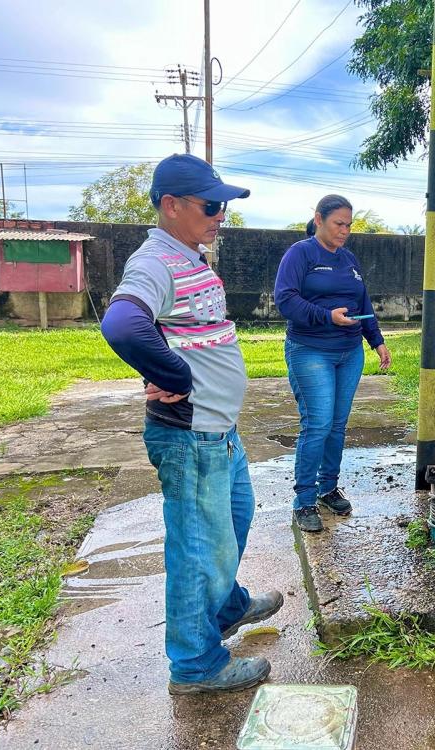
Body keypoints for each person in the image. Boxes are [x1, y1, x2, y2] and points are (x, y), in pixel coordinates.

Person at [101, 154, 281, 695]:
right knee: (199, 548)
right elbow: (124, 323)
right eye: (211, 205)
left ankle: (226, 606)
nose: (221, 214)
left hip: (219, 432)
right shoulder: (156, 260)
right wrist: (173, 372)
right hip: (191, 436)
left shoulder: (190, 257)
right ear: (172, 206)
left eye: (223, 205)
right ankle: (196, 663)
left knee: (234, 522)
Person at [274, 194, 391, 533]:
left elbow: (362, 301)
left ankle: (327, 488)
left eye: (349, 225)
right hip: (311, 350)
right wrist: (327, 317)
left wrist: (377, 341)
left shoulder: (349, 259)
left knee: (338, 425)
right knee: (318, 423)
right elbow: (285, 299)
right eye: (339, 223)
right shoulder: (301, 253)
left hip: (349, 353)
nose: (345, 230)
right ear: (319, 219)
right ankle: (304, 500)